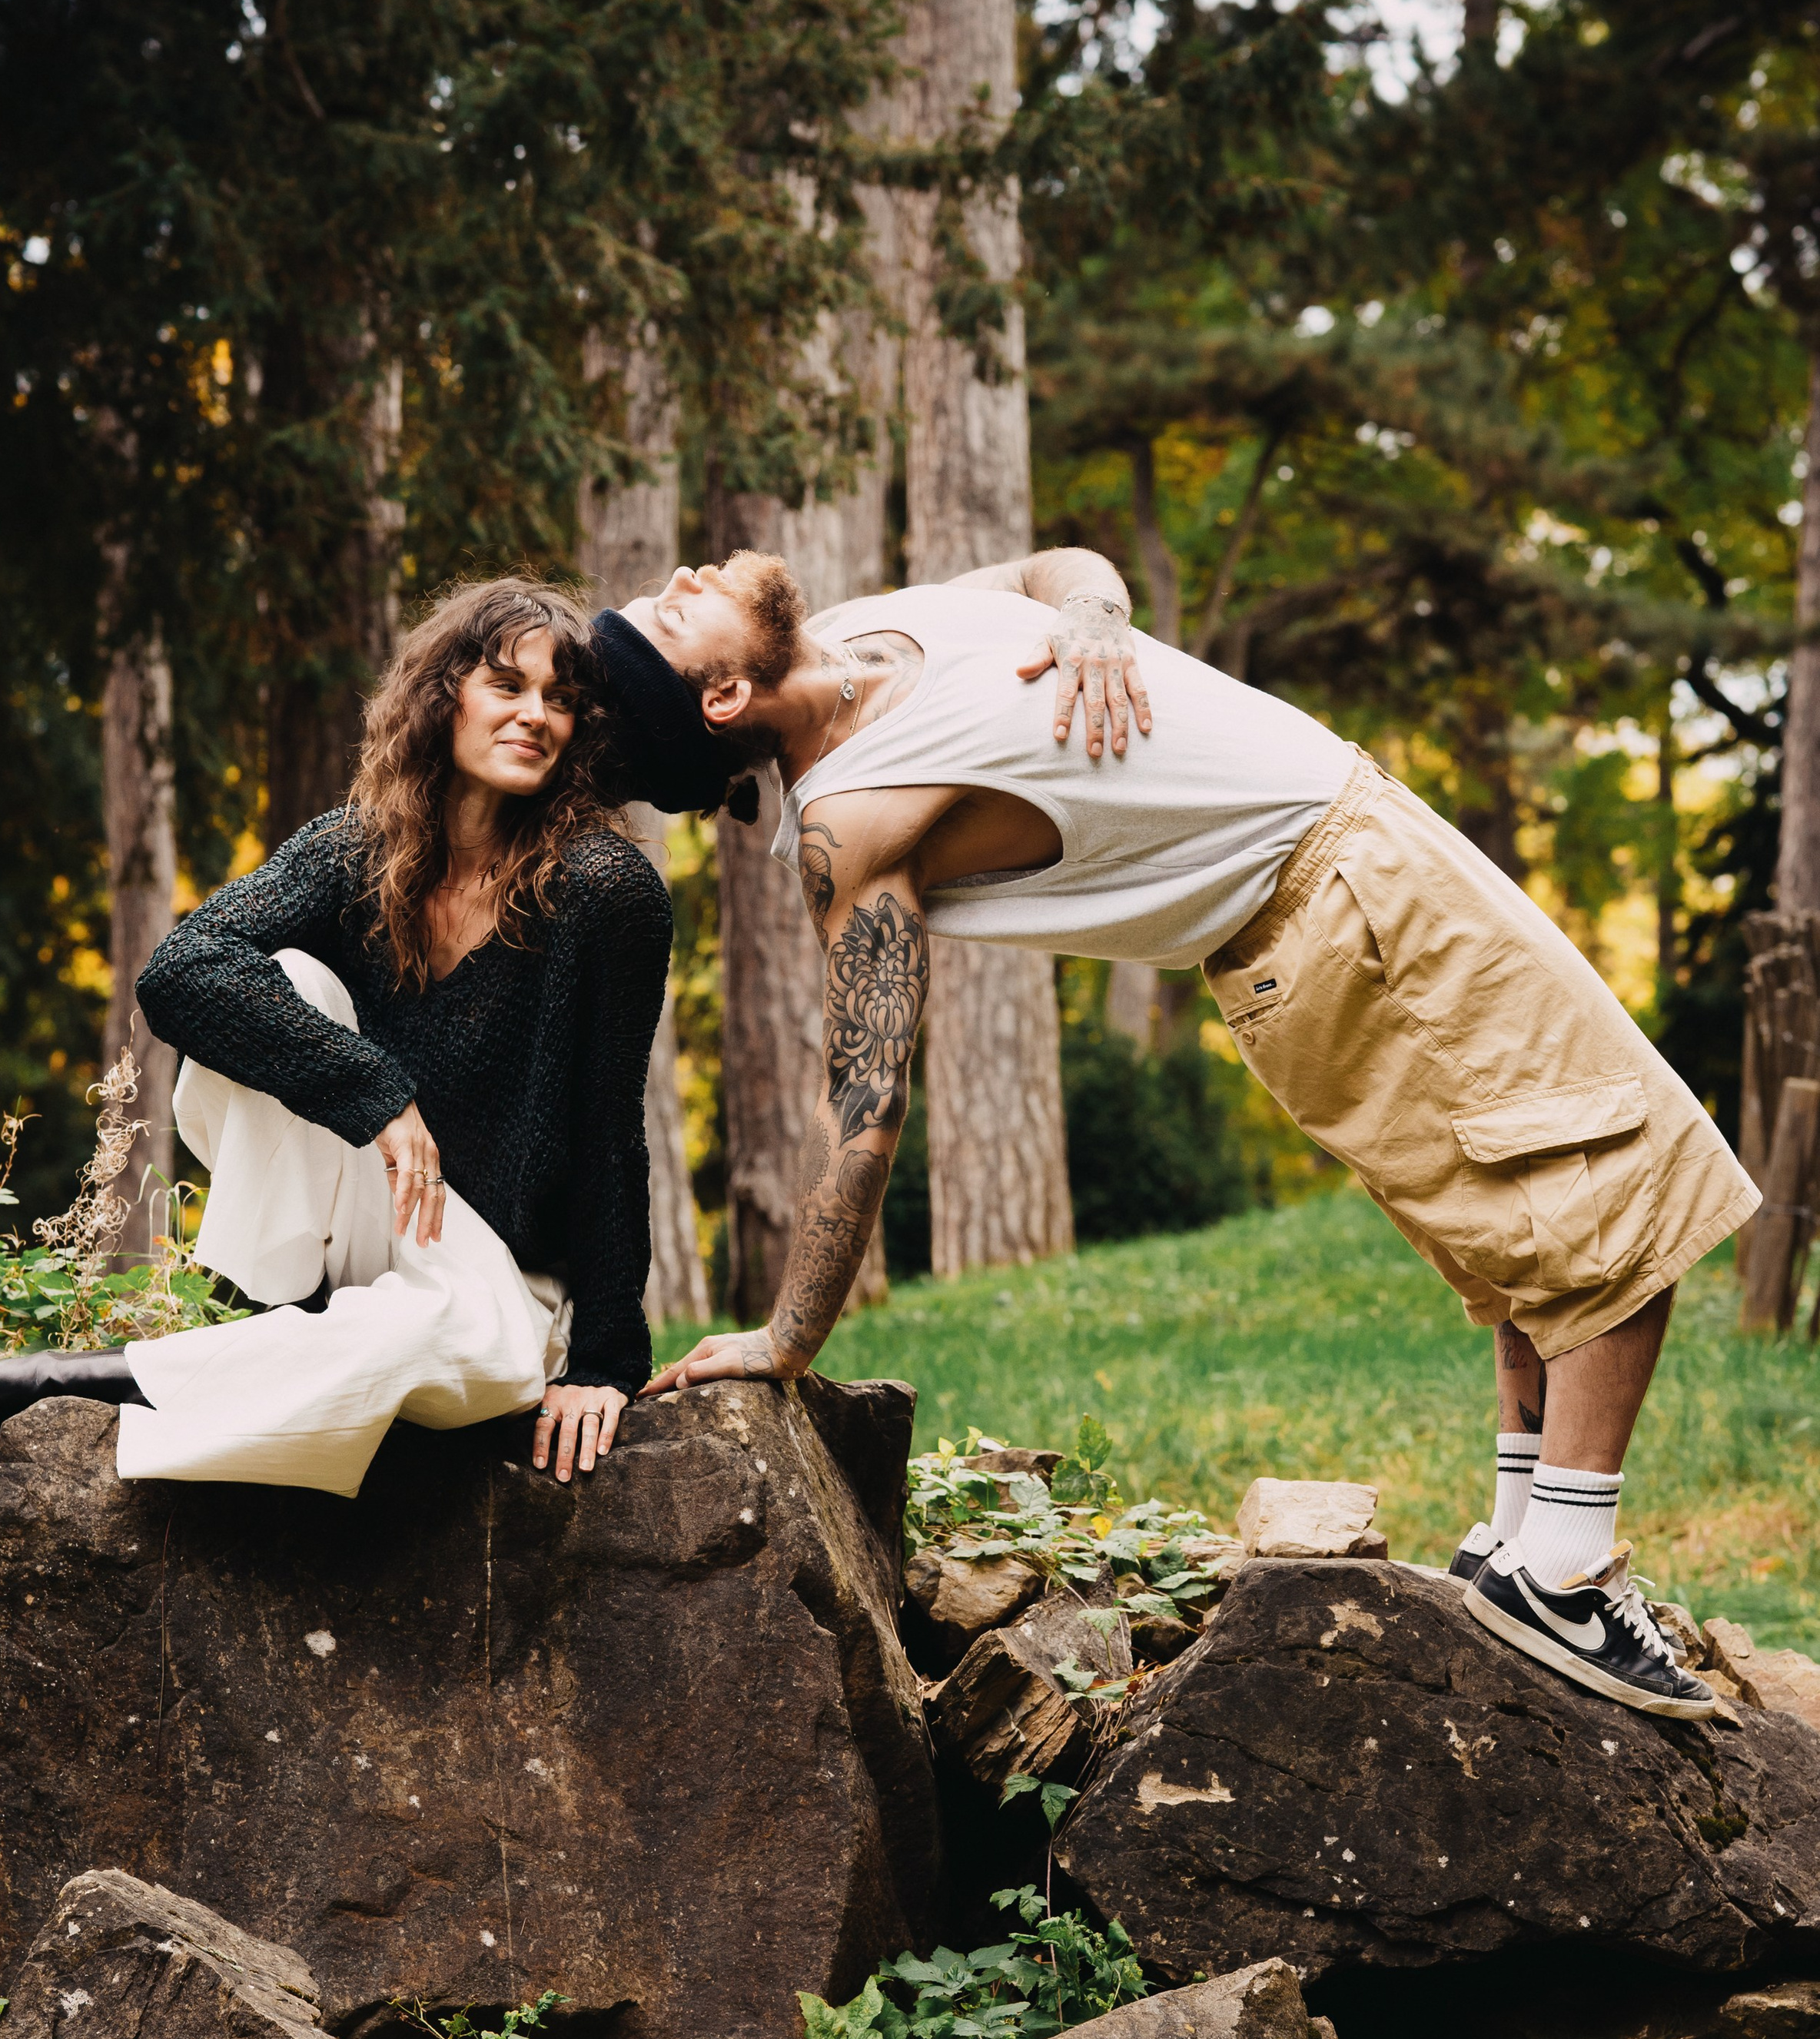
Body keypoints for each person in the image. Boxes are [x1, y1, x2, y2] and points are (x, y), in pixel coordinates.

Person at [605, 546, 1757, 1723]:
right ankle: (1565, 1576)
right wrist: (792, 1337)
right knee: (1613, 1190)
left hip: (1362, 862)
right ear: (722, 699)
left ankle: (1519, 1549)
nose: (685, 571)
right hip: (1330, 907)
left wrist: (1099, 618)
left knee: (1530, 1221)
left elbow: (1054, 570)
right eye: (669, 614)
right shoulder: (852, 817)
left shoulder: (867, 628)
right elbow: (865, 1096)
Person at [0, 575, 686, 1496]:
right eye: (508, 686)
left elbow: (610, 1137)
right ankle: (274, 1314)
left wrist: (604, 1364)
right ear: (444, 697)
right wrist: (376, 1096)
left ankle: (56, 1387)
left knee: (454, 1351)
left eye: (563, 700)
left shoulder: (604, 891)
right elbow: (179, 973)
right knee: (290, 983)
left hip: (489, 1265)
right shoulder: (359, 846)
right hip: (356, 1208)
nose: (536, 716)